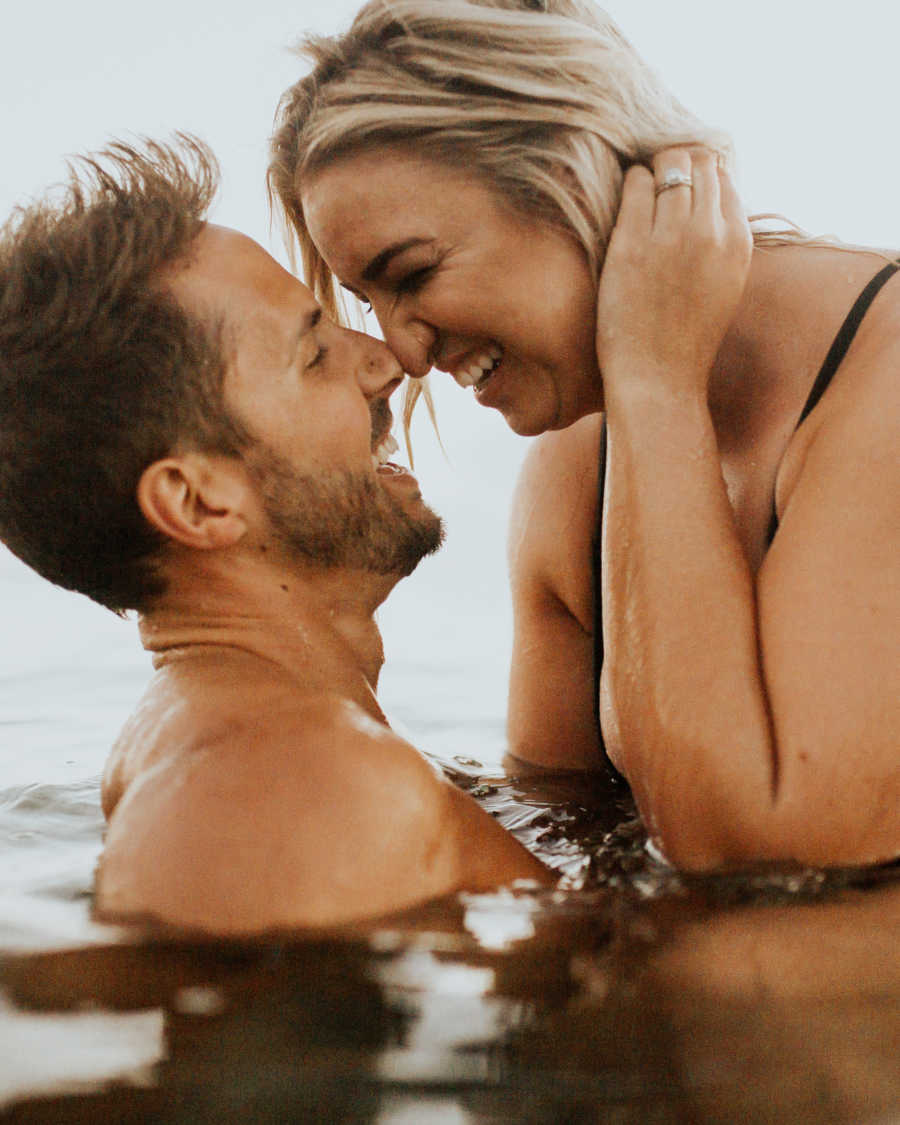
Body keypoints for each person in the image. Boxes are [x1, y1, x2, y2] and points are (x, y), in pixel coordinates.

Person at [267, 0, 900, 870]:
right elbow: (566, 833)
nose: (405, 352)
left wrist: (656, 383)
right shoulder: (577, 465)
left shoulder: (885, 382)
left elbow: (754, 854)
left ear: (574, 177)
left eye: (412, 274)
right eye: (367, 305)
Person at [0, 136, 549, 934]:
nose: (388, 359)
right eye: (315, 352)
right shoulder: (285, 781)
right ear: (197, 502)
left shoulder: (245, 748)